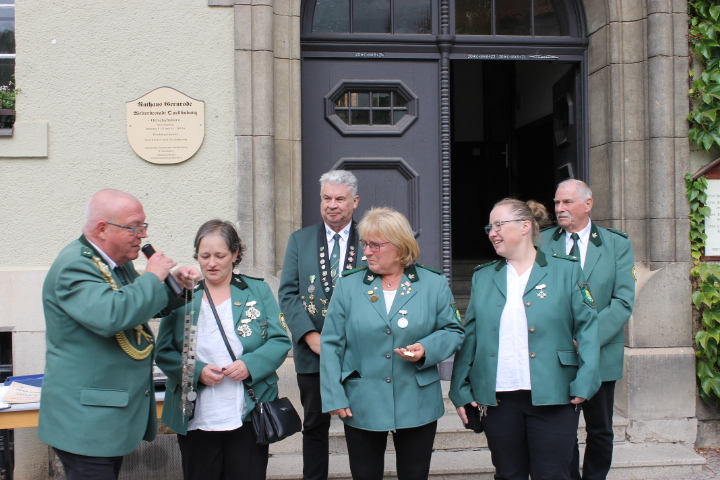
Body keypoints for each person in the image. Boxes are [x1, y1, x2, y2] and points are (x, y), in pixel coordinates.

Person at [38, 189, 200, 480]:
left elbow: (137, 306)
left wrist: (174, 286)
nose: (143, 234)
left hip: (104, 417)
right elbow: (112, 315)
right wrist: (152, 276)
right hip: (85, 422)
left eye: (144, 226)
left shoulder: (115, 264)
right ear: (102, 229)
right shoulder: (75, 265)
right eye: (134, 227)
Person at [450, 198, 601, 480]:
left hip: (555, 393)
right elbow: (471, 336)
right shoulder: (484, 276)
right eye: (490, 227)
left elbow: (588, 328)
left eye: (499, 225)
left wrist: (586, 379)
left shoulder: (565, 270)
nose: (492, 233)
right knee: (509, 474)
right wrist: (459, 388)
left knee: (553, 474)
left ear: (524, 226)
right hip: (499, 397)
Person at [321, 207, 464, 480]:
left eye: (375, 245)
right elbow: (331, 344)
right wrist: (333, 395)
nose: (367, 252)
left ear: (399, 247)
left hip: (417, 399)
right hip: (362, 398)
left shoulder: (432, 283)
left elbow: (453, 331)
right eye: (365, 244)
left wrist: (426, 348)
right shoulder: (349, 285)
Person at [156, 220, 291, 480]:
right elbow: (163, 352)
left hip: (248, 413)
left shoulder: (257, 290)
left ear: (235, 253)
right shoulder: (182, 294)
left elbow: (279, 340)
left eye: (220, 255)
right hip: (195, 416)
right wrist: (197, 371)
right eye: (204, 256)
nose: (211, 263)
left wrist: (250, 365)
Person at [540, 179, 635, 480]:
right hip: (556, 354)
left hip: (601, 353)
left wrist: (587, 339)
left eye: (567, 202)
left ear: (588, 204)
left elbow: (623, 301)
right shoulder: (542, 242)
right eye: (557, 202)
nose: (560, 208)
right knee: (561, 430)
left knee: (600, 429)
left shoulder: (616, 244)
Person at [278, 169, 365, 480]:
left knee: (361, 426)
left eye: (340, 199)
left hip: (360, 353)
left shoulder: (371, 239)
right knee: (314, 425)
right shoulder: (300, 240)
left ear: (355, 201)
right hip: (312, 353)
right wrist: (309, 336)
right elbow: (288, 294)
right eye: (326, 198)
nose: (332, 205)